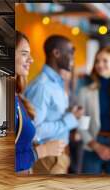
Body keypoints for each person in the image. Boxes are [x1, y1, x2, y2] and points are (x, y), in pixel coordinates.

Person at [24, 35, 84, 174]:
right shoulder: (42, 86)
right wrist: (69, 121)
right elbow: (34, 131)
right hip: (48, 158)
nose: (73, 59)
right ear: (56, 53)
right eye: (70, 53)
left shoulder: (56, 83)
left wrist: (71, 116)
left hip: (59, 156)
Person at [15, 31, 66, 174]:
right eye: (24, 54)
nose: (31, 60)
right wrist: (43, 150)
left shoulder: (18, 96)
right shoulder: (42, 86)